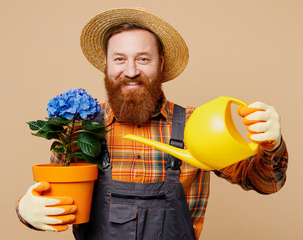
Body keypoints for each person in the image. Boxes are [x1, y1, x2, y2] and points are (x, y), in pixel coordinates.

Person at [16, 7, 288, 239]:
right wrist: (26, 210)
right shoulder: (79, 128)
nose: (131, 71)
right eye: (120, 59)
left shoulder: (197, 124)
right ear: (106, 66)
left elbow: (266, 184)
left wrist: (271, 145)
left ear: (161, 63)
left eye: (143, 59)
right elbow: (53, 202)